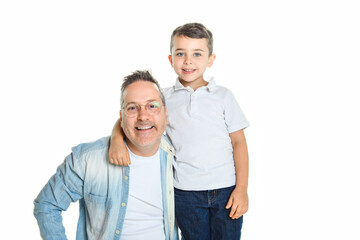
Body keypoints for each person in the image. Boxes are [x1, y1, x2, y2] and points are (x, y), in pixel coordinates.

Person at [110, 23, 250, 240]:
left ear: (210, 59)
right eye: (180, 53)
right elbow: (133, 115)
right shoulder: (164, 97)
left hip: (226, 190)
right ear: (170, 59)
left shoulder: (223, 96)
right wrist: (117, 140)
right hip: (185, 192)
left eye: (197, 54)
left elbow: (239, 143)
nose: (188, 61)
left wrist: (241, 189)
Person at [33, 70, 179, 240]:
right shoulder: (88, 160)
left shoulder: (180, 153)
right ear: (121, 117)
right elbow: (47, 204)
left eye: (152, 106)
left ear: (166, 114)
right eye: (132, 108)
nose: (143, 116)